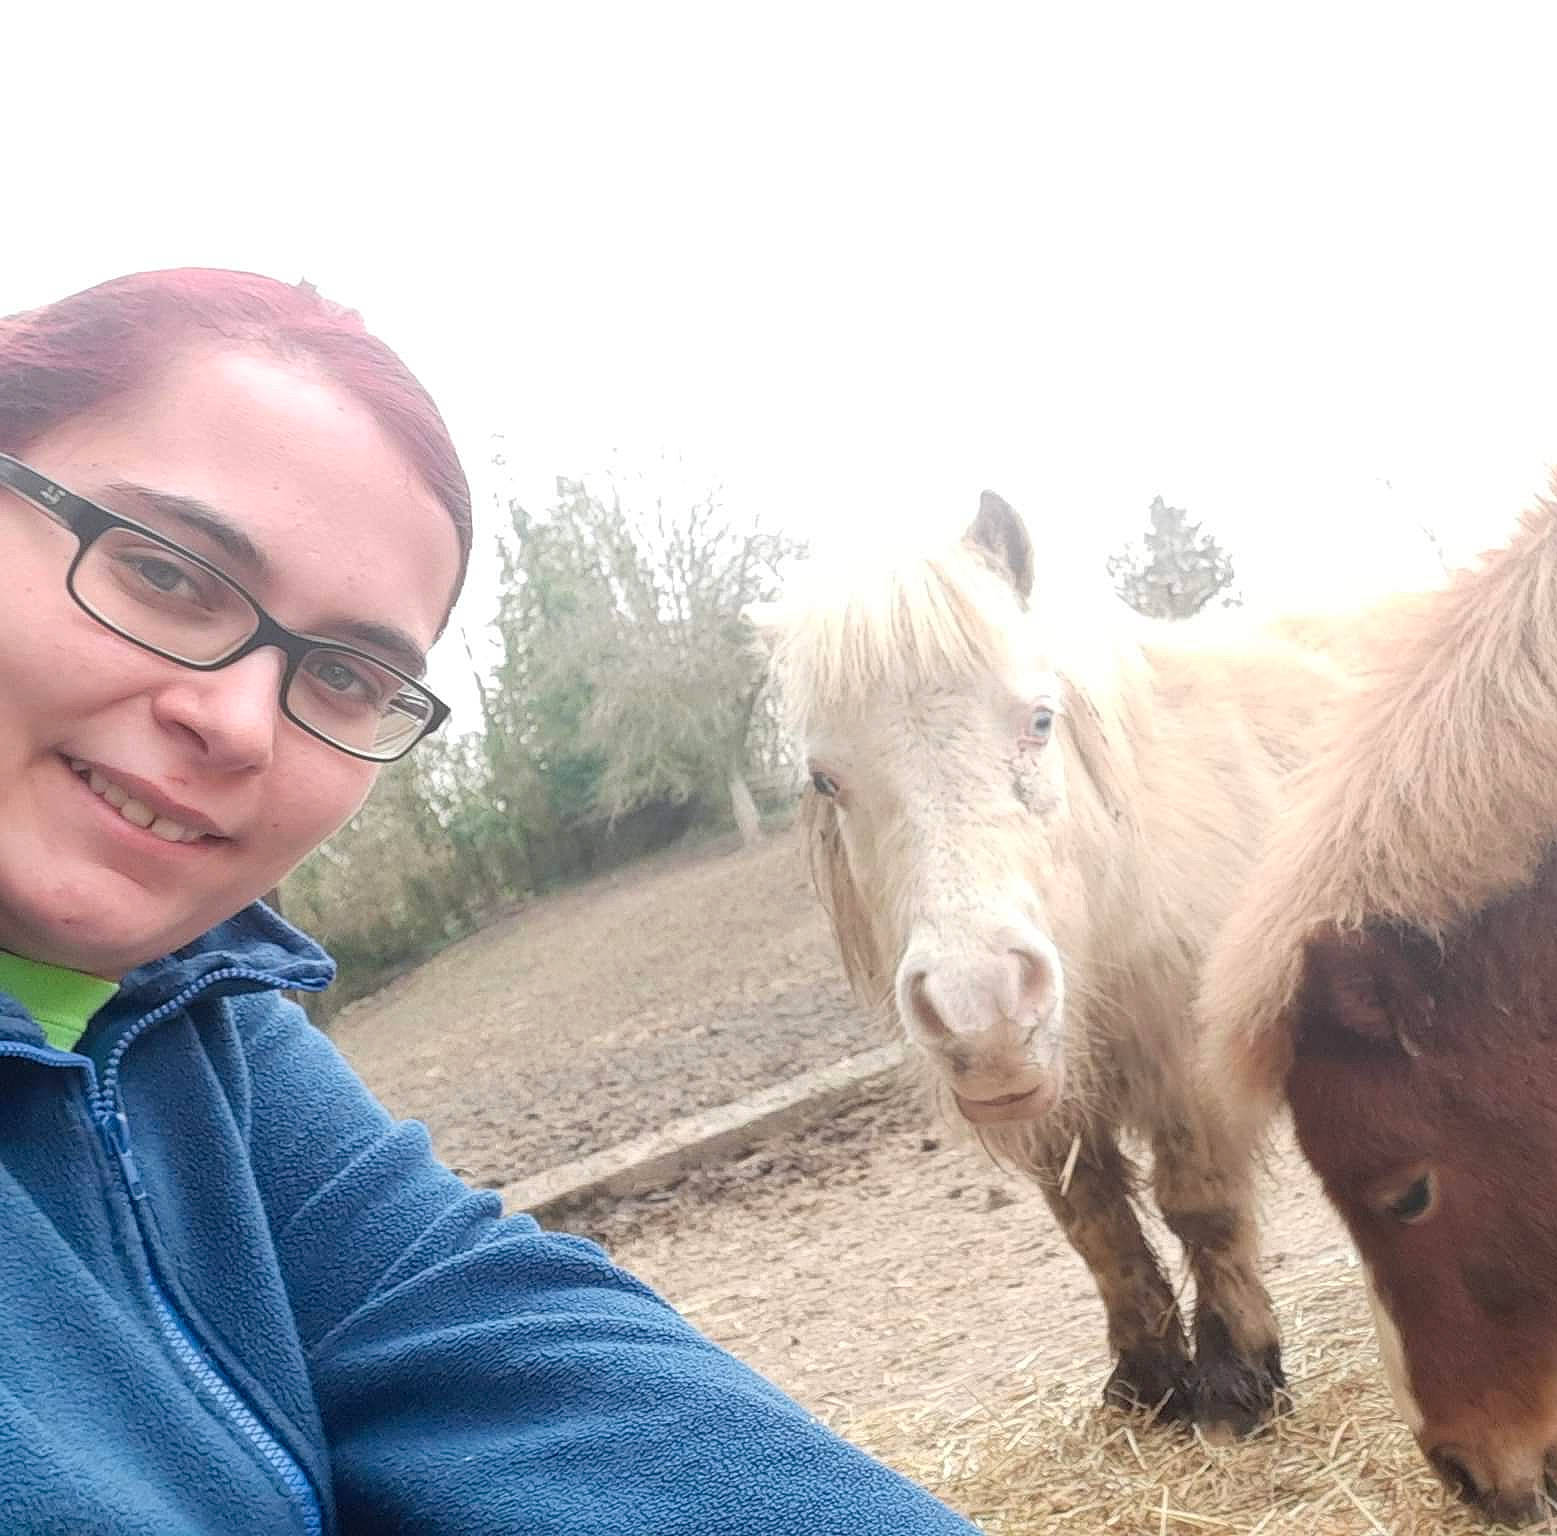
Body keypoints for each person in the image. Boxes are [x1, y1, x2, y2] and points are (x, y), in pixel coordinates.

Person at [0, 269, 981, 1535]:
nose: (238, 722)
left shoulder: (201, 1030)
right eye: (164, 574)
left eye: (343, 678)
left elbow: (499, 1341)